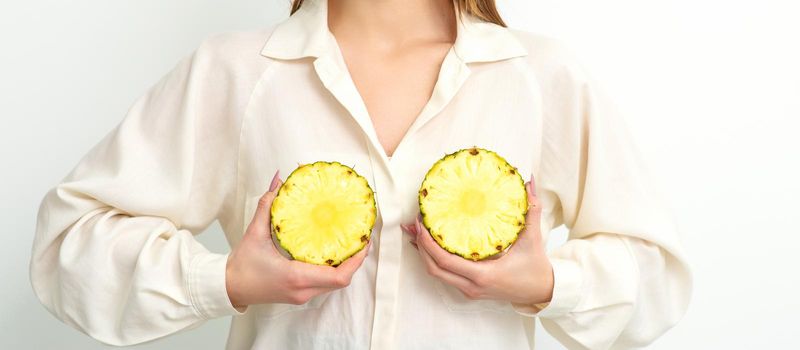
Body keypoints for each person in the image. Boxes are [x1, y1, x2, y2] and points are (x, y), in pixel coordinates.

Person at [29, 0, 692, 348]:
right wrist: (223, 278)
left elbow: (658, 279)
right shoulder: (236, 72)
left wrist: (548, 281)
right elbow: (68, 249)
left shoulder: (542, 78)